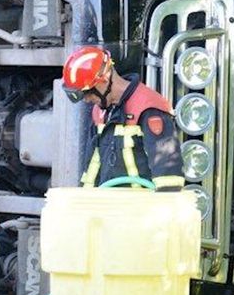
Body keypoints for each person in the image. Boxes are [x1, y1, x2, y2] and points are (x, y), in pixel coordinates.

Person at [61, 45, 185, 191]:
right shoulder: (100, 112)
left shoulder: (148, 108)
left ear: (105, 79)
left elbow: (168, 176)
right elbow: (91, 169)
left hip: (139, 209)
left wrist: (161, 211)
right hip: (109, 207)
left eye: (88, 93)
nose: (87, 100)